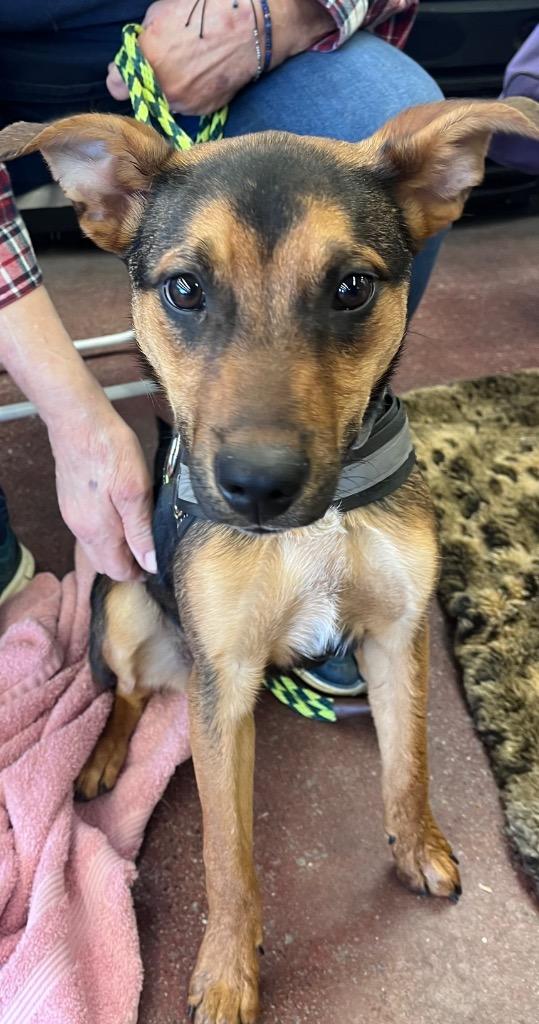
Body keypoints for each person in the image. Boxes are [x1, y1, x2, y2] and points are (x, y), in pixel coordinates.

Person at [0, 0, 442, 692]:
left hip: (233, 35)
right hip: (19, 53)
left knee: (383, 99)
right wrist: (71, 416)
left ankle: (344, 513)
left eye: (348, 288)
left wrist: (284, 16)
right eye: (185, 291)